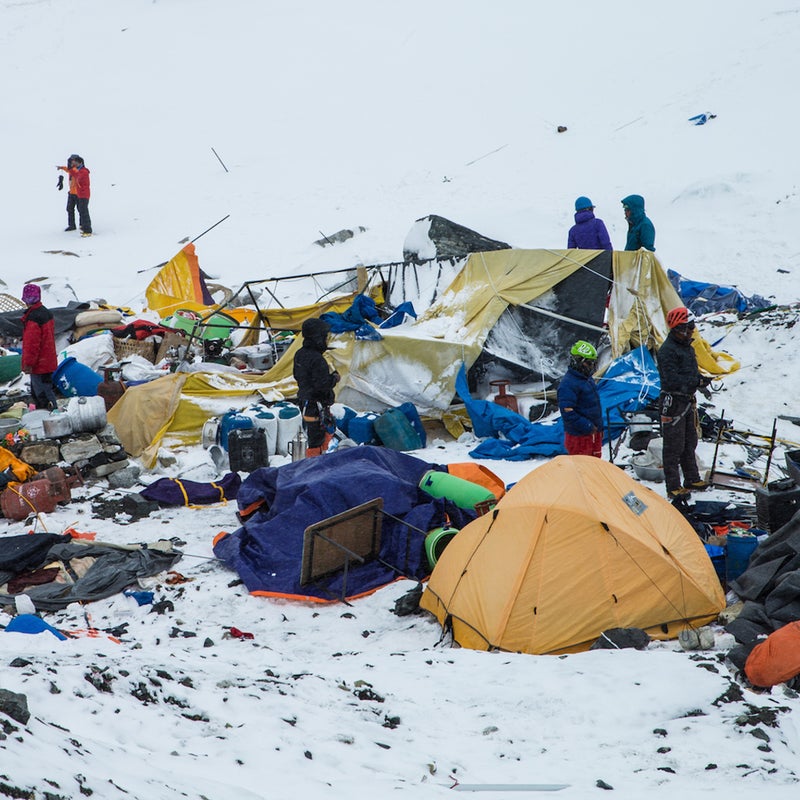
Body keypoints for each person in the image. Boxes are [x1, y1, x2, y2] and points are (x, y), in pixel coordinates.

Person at [657, 307, 712, 498]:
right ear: (677, 329)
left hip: (687, 400)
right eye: (687, 328)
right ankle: (673, 486)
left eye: (692, 328)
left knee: (690, 441)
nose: (691, 332)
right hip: (673, 402)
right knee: (673, 446)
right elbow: (672, 379)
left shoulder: (687, 347)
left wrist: (701, 379)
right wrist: (695, 381)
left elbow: (688, 372)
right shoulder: (667, 351)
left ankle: (691, 478)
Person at [293, 317, 340, 457]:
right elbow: (322, 385)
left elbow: (298, 376)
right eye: (325, 337)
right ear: (318, 338)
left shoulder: (300, 354)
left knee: (312, 437)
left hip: (305, 401)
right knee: (316, 440)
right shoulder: (317, 359)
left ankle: (314, 462)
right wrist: (334, 378)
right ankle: (315, 466)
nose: (326, 341)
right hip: (316, 405)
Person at [557, 340, 603, 458]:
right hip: (579, 438)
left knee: (594, 467)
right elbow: (567, 412)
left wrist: (598, 427)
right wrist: (587, 426)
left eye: (593, 363)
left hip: (592, 434)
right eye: (588, 363)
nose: (591, 367)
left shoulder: (587, 379)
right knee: (581, 470)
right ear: (578, 362)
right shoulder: (568, 384)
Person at [21, 283, 59, 410]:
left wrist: (28, 364)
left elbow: (32, 344)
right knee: (46, 389)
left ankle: (50, 417)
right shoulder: (46, 313)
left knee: (42, 394)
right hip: (47, 360)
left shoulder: (34, 318)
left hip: (39, 364)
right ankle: (51, 414)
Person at [57, 154, 92, 236]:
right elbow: (69, 170)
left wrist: (71, 169)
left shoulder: (83, 171)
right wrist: (62, 168)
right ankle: (72, 225)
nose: (72, 164)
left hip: (81, 194)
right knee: (70, 209)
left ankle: (86, 229)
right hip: (73, 193)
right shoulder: (74, 170)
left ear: (79, 162)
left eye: (74, 162)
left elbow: (78, 175)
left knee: (82, 211)